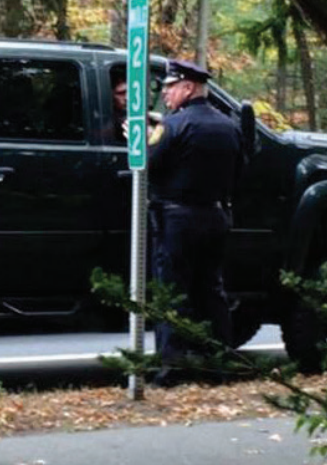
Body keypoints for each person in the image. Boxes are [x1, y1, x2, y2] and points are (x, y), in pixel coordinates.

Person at [146, 59, 242, 384]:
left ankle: (172, 367)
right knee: (211, 290)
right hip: (216, 216)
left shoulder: (172, 126)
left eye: (170, 88)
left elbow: (151, 166)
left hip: (178, 218)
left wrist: (145, 139)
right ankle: (220, 363)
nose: (166, 96)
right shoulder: (228, 125)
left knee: (172, 291)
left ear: (188, 87)